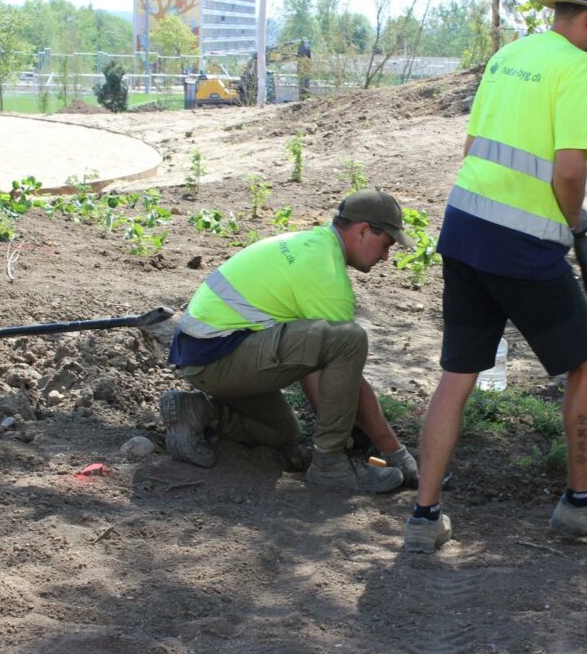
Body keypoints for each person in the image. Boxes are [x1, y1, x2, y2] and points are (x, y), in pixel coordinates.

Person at [403, 0, 587, 554]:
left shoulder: (509, 55)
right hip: (520, 242)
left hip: (463, 226)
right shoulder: (577, 66)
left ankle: (423, 516)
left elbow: (471, 147)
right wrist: (572, 219)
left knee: (458, 374)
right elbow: (569, 171)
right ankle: (581, 505)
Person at [160, 189, 420, 495]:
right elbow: (339, 360)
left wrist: (343, 429)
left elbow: (314, 363)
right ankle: (331, 466)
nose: (386, 256)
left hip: (205, 356)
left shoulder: (311, 244)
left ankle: (200, 413)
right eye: (386, 244)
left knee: (288, 439)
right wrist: (394, 452)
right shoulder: (324, 272)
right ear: (363, 230)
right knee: (349, 339)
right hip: (220, 356)